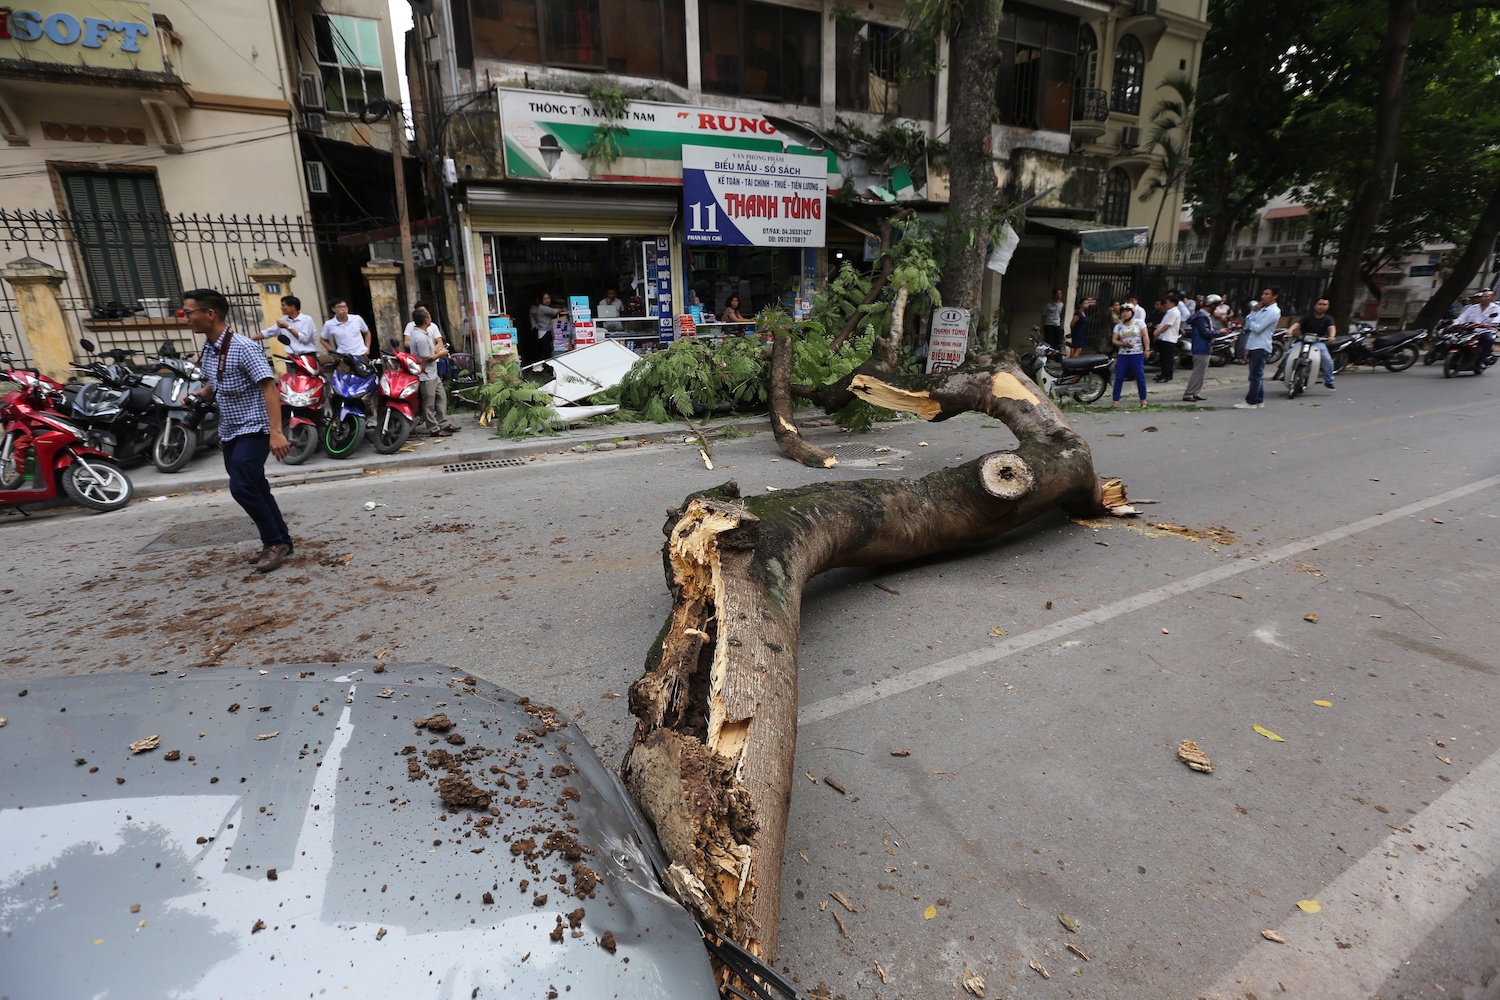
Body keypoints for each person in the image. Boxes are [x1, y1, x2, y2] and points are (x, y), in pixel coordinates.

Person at [181, 288, 293, 573]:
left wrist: (276, 432)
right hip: (229, 429)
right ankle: (282, 539)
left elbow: (270, 386)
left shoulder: (244, 347)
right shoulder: (210, 347)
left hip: (254, 427)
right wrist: (201, 393)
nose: (185, 318)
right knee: (255, 485)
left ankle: (274, 542)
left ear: (210, 314)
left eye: (188, 312)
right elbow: (216, 381)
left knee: (242, 486)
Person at [407, 307, 458, 437]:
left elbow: (427, 353)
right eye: (429, 316)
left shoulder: (421, 333)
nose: (431, 318)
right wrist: (442, 354)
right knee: (429, 403)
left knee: (441, 397)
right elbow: (426, 359)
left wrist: (435, 351)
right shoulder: (420, 337)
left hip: (432, 374)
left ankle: (443, 423)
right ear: (425, 320)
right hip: (426, 375)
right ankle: (433, 429)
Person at [1275, 296, 1338, 390]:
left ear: (1327, 307)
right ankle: (1286, 374)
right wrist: (1290, 330)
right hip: (1302, 341)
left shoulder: (1328, 319)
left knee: (1327, 359)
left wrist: (1331, 336)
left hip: (1318, 342)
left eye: (1325, 305)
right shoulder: (1308, 317)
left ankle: (1329, 381)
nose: (1322, 306)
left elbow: (1331, 328)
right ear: (1315, 306)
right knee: (1289, 355)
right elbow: (1297, 324)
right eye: (1320, 304)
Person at [1233, 287, 1281, 409]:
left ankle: (1251, 401)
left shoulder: (1273, 311)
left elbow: (1257, 328)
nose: (1263, 296)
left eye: (1267, 294)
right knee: (1256, 375)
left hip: (1261, 345)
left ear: (1274, 296)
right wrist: (1253, 312)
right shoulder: (1262, 309)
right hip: (1254, 344)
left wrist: (1251, 320)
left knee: (1255, 375)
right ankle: (1259, 399)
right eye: (1263, 293)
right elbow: (1248, 324)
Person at [250, 295, 319, 366]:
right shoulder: (283, 321)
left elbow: (305, 339)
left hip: (308, 357)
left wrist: (287, 327)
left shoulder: (306, 319)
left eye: (283, 305)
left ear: (292, 307)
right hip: (292, 358)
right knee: (292, 377)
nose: (281, 308)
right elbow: (268, 332)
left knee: (313, 376)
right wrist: (249, 339)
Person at [1111, 304, 1150, 408]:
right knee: (1119, 377)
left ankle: (1143, 399)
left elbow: (1145, 336)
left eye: (1128, 311)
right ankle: (1115, 400)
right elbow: (1114, 340)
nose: (1125, 313)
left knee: (1139, 376)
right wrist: (1123, 344)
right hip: (1123, 354)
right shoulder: (1118, 326)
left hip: (1137, 353)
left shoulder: (1139, 323)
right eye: (1123, 311)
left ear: (1132, 313)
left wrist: (1147, 349)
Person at [1182, 295, 1215, 402]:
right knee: (1198, 372)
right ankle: (1189, 393)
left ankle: (1195, 391)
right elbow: (1206, 332)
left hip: (1203, 347)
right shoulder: (1202, 317)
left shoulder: (1201, 316)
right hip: (1202, 347)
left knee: (1201, 372)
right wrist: (1219, 332)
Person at [1454, 289, 1499, 364]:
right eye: (1482, 296)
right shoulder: (1472, 308)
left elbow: (1497, 319)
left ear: (1491, 298)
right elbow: (1462, 317)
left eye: (1486, 297)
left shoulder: (1495, 308)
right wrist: (1455, 324)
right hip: (1470, 330)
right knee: (1455, 338)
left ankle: (1484, 357)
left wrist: (1492, 324)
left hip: (1484, 331)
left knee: (1489, 339)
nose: (1483, 298)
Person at [1152, 292, 1182, 383]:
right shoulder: (1170, 312)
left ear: (1172, 303)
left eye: (1167, 302)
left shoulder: (1174, 312)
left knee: (1167, 358)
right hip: (1165, 337)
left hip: (1169, 338)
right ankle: (1164, 373)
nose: (1166, 304)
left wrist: (1158, 332)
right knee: (1164, 358)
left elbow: (1167, 325)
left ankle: (1166, 375)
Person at [526, 292, 560, 366]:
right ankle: (545, 369)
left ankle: (545, 368)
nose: (547, 300)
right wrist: (563, 309)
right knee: (545, 352)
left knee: (546, 351)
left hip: (544, 331)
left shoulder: (542, 307)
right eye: (544, 299)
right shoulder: (541, 307)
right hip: (541, 331)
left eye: (548, 298)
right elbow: (556, 311)